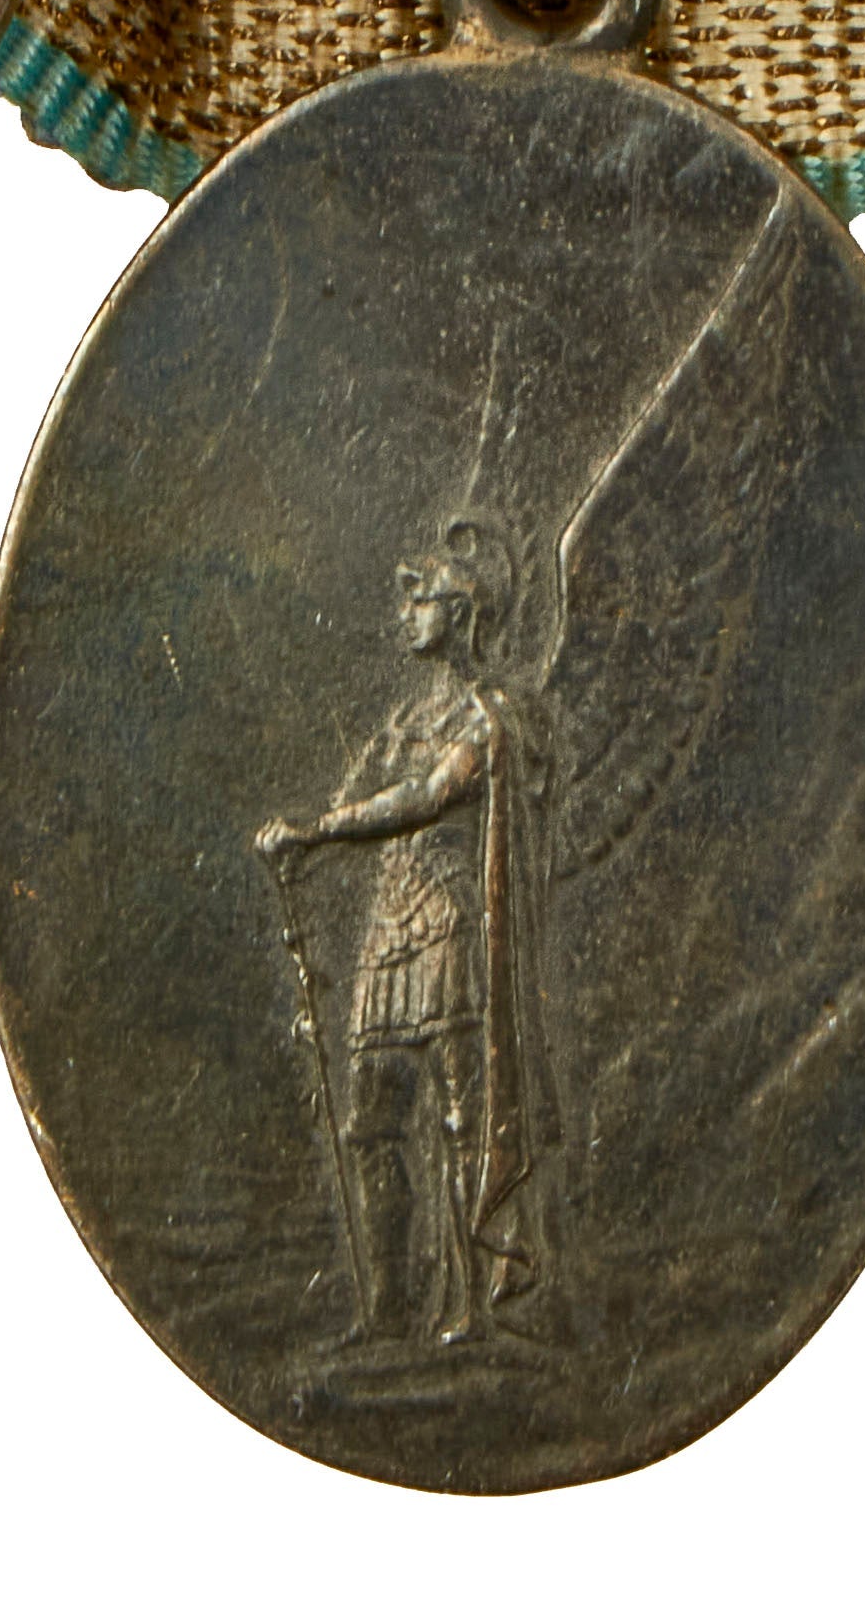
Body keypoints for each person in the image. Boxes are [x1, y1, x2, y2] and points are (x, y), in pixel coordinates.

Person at [256, 523, 553, 1346]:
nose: (405, 614)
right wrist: (304, 836)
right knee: (370, 1122)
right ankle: (388, 1310)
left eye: (420, 600)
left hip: (452, 925)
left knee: (461, 1121)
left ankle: (471, 1304)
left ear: (460, 613)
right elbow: (362, 788)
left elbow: (423, 797)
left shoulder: (489, 718)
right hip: (390, 928)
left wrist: (321, 830)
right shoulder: (404, 716)